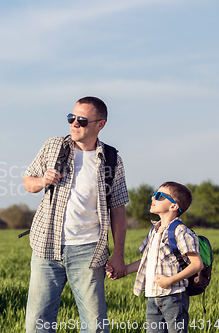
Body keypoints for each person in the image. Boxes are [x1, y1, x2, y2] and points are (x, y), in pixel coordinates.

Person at [23, 96, 129, 333]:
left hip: (89, 251)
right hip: (46, 247)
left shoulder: (112, 159)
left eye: (82, 120)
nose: (74, 124)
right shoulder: (53, 146)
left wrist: (118, 254)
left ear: (100, 125)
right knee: (37, 325)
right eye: (71, 118)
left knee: (95, 326)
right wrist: (42, 181)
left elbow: (119, 209)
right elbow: (27, 182)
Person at [106, 181, 203, 333]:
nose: (153, 197)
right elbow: (145, 261)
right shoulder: (154, 230)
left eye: (159, 195)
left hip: (174, 297)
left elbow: (197, 264)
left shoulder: (180, 231)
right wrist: (123, 271)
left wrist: (170, 280)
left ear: (173, 206)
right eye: (154, 194)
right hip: (153, 297)